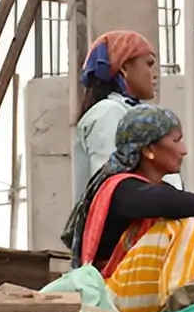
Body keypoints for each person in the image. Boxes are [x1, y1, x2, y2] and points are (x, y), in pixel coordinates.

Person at [61, 103, 194, 312]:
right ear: (148, 149)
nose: (184, 150)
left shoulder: (156, 192)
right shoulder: (121, 189)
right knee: (190, 224)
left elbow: (171, 200)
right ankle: (193, 303)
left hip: (135, 293)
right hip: (109, 299)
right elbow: (169, 202)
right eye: (176, 140)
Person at [72, 29, 182, 203]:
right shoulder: (108, 113)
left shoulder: (131, 112)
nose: (154, 74)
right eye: (149, 64)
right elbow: (113, 189)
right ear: (124, 68)